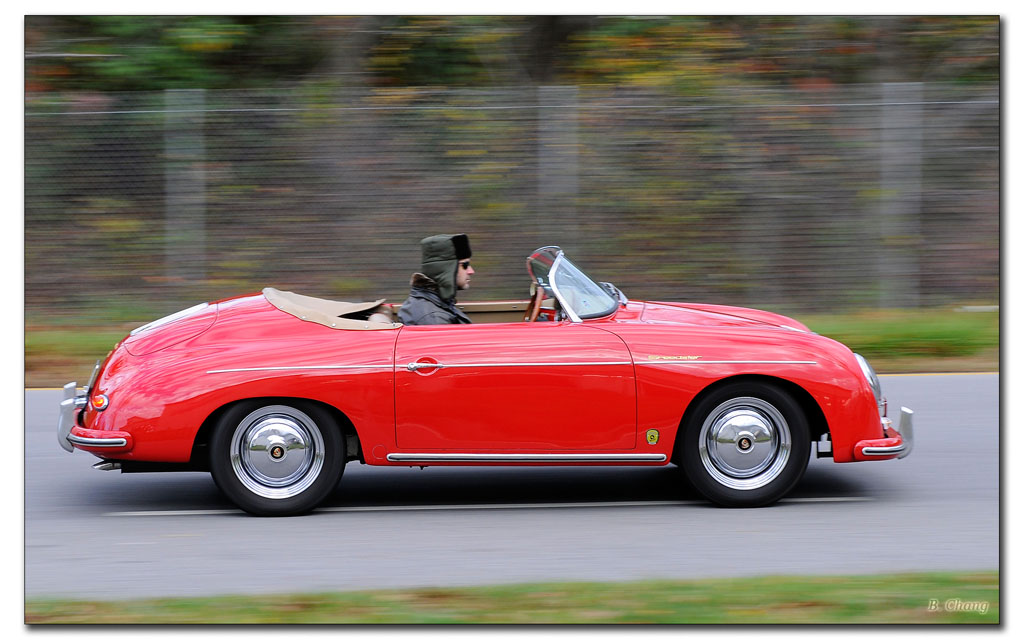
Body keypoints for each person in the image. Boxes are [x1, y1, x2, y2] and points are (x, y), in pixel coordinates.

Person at [398, 233, 475, 325]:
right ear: (446, 269)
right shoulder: (435, 319)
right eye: (465, 265)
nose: (471, 271)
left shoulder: (438, 304)